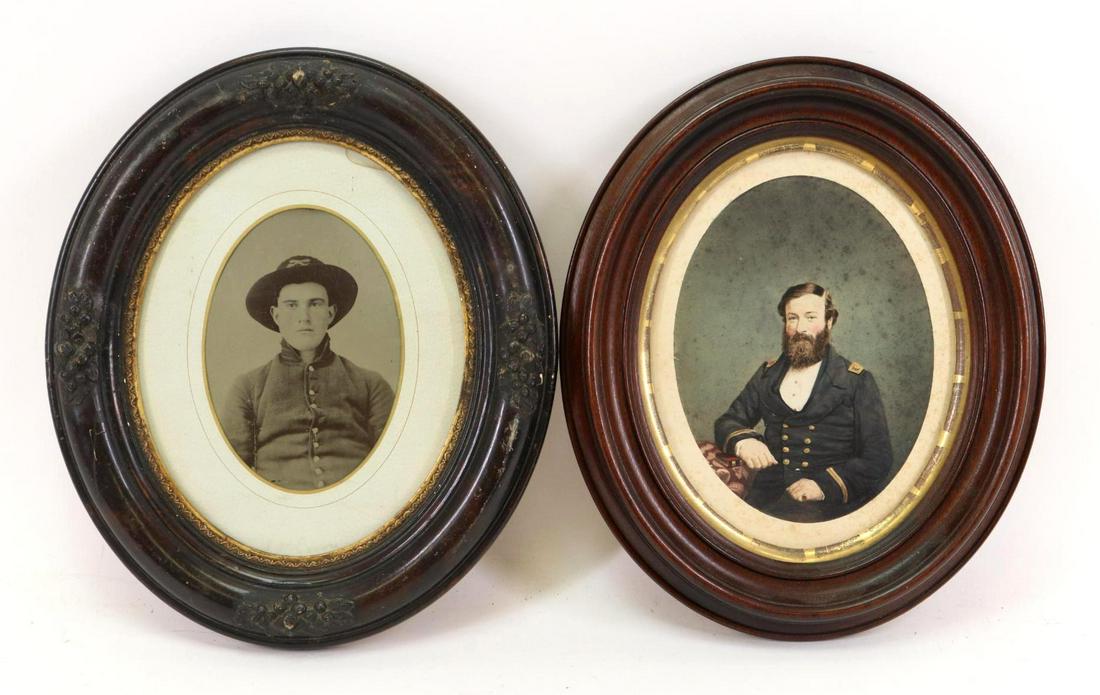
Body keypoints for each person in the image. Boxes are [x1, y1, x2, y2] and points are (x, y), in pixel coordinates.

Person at [710, 283, 892, 522]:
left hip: (829, 504)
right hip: (768, 495)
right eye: (792, 318)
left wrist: (823, 486)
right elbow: (728, 420)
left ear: (829, 321)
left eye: (810, 317)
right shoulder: (767, 374)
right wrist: (744, 441)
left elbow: (878, 457)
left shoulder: (855, 380)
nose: (800, 328)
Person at [220, 255, 395, 491]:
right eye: (292, 305)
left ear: (331, 313)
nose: (304, 317)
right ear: (276, 315)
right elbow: (229, 476)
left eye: (315, 303)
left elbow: (395, 467)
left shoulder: (371, 384)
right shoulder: (248, 388)